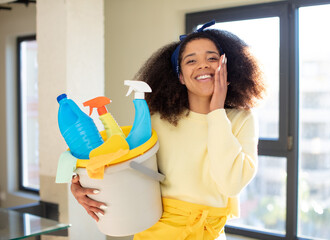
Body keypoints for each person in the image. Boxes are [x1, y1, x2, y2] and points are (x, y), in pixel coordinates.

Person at [71, 20, 266, 239]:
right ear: (180, 77)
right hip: (156, 232)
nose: (203, 65)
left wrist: (216, 112)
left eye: (212, 58)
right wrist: (78, 186)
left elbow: (231, 184)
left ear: (227, 67)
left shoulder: (242, 120)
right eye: (191, 61)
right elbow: (114, 161)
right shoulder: (158, 121)